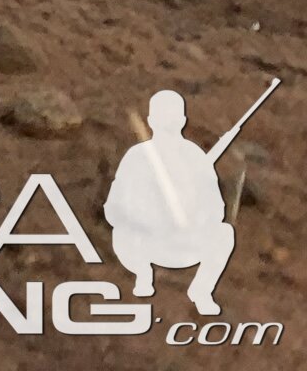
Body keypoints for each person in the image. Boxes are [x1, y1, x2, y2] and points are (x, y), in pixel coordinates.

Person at [105, 88, 246, 316]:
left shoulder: (195, 157)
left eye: (172, 118)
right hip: (144, 243)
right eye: (163, 118)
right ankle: (143, 276)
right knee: (122, 235)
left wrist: (194, 216)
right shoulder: (137, 157)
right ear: (151, 121)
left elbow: (216, 209)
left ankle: (201, 291)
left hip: (183, 242)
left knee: (224, 234)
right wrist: (145, 217)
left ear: (182, 120)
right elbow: (114, 209)